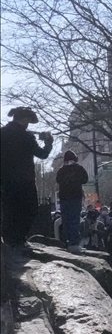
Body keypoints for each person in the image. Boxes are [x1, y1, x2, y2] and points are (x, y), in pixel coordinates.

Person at [0, 107, 53, 252]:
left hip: (6, 179)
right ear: (24, 120)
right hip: (24, 180)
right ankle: (19, 239)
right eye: (28, 121)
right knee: (29, 209)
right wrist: (48, 143)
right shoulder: (27, 137)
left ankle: (9, 239)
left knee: (9, 209)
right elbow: (42, 154)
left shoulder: (2, 133)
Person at [55, 150, 90, 253]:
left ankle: (67, 241)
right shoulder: (78, 168)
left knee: (66, 220)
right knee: (75, 219)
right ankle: (74, 243)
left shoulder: (61, 170)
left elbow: (58, 180)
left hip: (64, 198)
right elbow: (85, 179)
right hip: (75, 197)